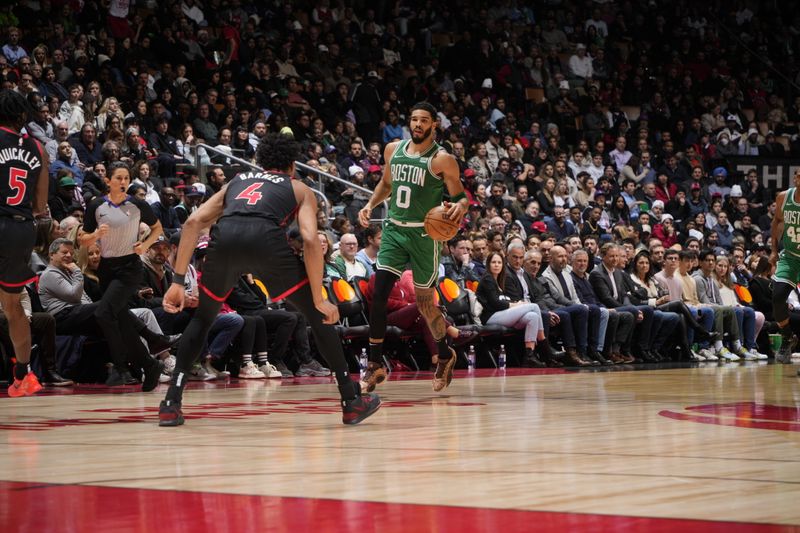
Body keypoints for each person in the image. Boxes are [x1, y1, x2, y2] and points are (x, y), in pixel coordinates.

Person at [158, 133, 380, 427]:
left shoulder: (235, 182)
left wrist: (176, 280)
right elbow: (311, 240)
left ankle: (172, 401)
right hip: (267, 243)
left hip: (225, 241)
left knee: (202, 319)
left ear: (261, 162)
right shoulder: (300, 188)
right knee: (319, 317)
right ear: (292, 164)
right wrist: (319, 298)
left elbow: (192, 222)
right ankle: (350, 400)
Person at [357, 102, 467, 393]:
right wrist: (370, 204)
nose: (417, 124)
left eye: (424, 120)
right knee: (377, 295)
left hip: (423, 236)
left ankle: (444, 355)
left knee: (424, 304)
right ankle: (375, 364)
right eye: (413, 119)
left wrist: (457, 208)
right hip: (394, 230)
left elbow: (461, 197)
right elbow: (386, 183)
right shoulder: (393, 149)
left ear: (434, 125)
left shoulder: (443, 160)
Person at [77, 161, 165, 386]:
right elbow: (82, 239)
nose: (123, 182)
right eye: (119, 178)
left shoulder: (137, 204)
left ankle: (120, 366)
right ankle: (149, 364)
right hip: (107, 268)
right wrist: (95, 234)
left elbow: (158, 229)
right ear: (108, 180)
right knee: (121, 319)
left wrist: (144, 246)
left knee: (103, 314)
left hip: (129, 267)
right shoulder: (96, 205)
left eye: (126, 178)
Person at [0, 90, 50, 396]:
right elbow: (41, 205)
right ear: (22, 116)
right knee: (12, 305)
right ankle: (23, 373)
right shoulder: (38, 148)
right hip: (22, 229)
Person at [769, 169, 800, 365]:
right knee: (778, 296)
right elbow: (777, 222)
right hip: (789, 257)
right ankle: (788, 337)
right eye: (798, 175)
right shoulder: (783, 197)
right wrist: (773, 250)